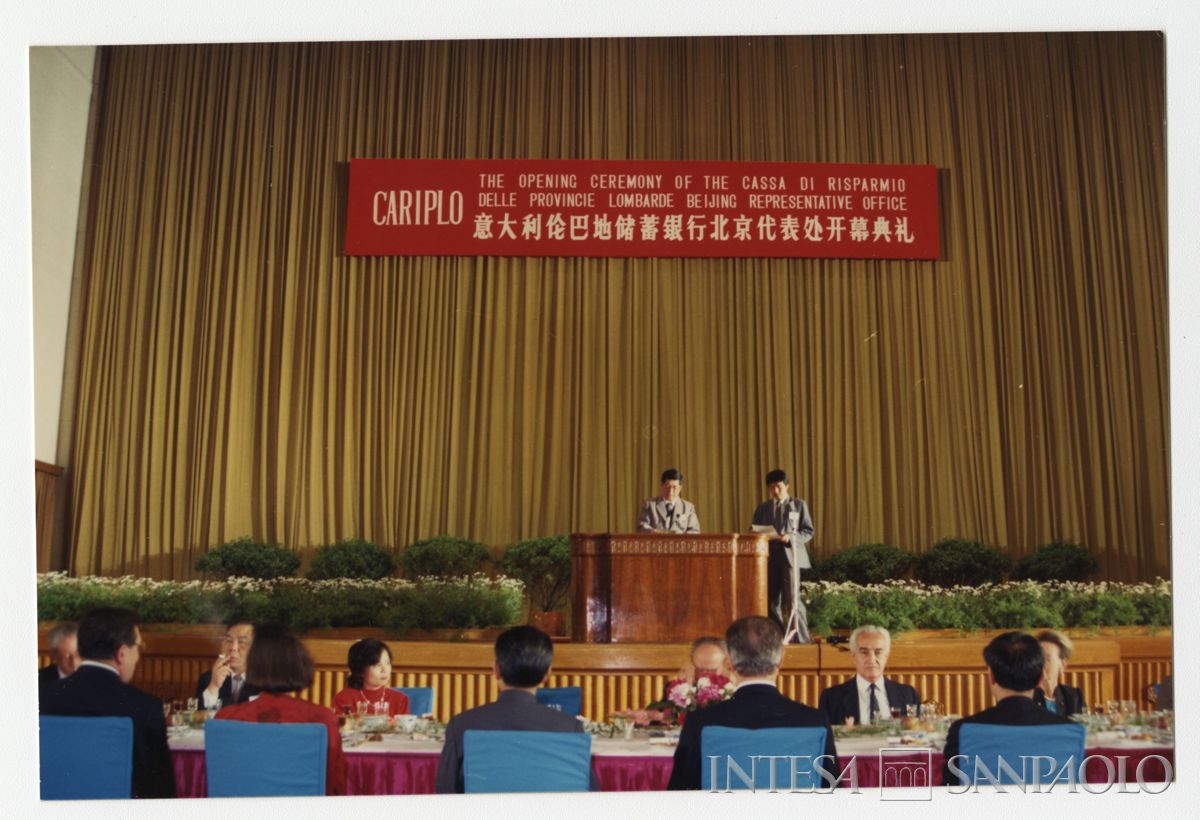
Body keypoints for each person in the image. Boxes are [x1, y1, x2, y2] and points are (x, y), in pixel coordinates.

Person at [667, 616, 837, 790]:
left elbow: (679, 793)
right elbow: (834, 792)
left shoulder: (700, 722)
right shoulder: (815, 721)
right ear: (781, 659)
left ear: (729, 663)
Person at [39, 607, 176, 798]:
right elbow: (161, 792)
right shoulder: (145, 707)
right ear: (121, 654)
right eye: (138, 647)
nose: (138, 656)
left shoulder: (42, 697)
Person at [435, 625, 588, 794]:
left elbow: (445, 793)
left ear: (496, 669)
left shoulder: (461, 726)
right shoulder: (569, 728)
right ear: (547, 674)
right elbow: (589, 795)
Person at [214, 623, 346, 795]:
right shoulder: (322, 719)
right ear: (299, 664)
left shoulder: (226, 718)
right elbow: (334, 784)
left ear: (253, 665)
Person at [941, 631, 1075, 786]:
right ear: (1040, 678)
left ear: (991, 677)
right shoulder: (1070, 732)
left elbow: (949, 792)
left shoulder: (963, 731)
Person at [750, 469, 814, 642]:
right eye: (771, 487)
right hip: (769, 558)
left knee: (792, 599)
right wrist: (757, 533)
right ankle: (776, 637)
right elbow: (754, 530)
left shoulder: (798, 505)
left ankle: (800, 639)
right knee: (770, 601)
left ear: (787, 486)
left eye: (778, 486)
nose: (775, 491)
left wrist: (791, 538)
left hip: (790, 557)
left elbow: (808, 531)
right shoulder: (762, 508)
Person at [818, 625, 921, 725]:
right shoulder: (832, 698)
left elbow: (918, 732)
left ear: (886, 656)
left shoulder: (908, 695)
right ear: (853, 656)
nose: (871, 659)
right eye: (864, 652)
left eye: (878, 652)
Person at [331, 638, 410, 717]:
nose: (384, 670)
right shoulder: (344, 699)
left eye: (387, 663)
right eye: (377, 665)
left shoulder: (400, 700)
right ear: (360, 669)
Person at [194, 622, 258, 709]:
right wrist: (214, 686)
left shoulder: (267, 681)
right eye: (229, 640)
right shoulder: (208, 679)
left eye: (241, 642)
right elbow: (199, 714)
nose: (233, 648)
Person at [1032, 629, 1086, 717]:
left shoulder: (1073, 696)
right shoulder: (1025, 696)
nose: (1039, 663)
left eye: (1047, 659)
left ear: (1062, 665)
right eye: (1036, 658)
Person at [637, 468, 700, 533]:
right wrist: (656, 532)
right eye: (667, 486)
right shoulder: (649, 505)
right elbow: (641, 526)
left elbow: (694, 530)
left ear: (680, 488)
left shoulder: (688, 508)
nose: (670, 491)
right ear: (661, 486)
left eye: (674, 487)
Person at [38, 621, 80, 699]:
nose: (74, 662)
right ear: (54, 656)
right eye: (67, 657)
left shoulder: (98, 680)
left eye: (79, 655)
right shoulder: (37, 682)